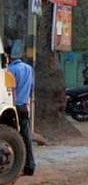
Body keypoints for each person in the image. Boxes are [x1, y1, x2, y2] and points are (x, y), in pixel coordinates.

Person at [7, 44, 35, 176]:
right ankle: (30, 166)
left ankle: (16, 165)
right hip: (24, 105)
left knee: (13, 138)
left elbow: (10, 89)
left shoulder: (10, 70)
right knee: (26, 136)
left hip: (12, 107)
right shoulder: (29, 69)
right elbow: (31, 88)